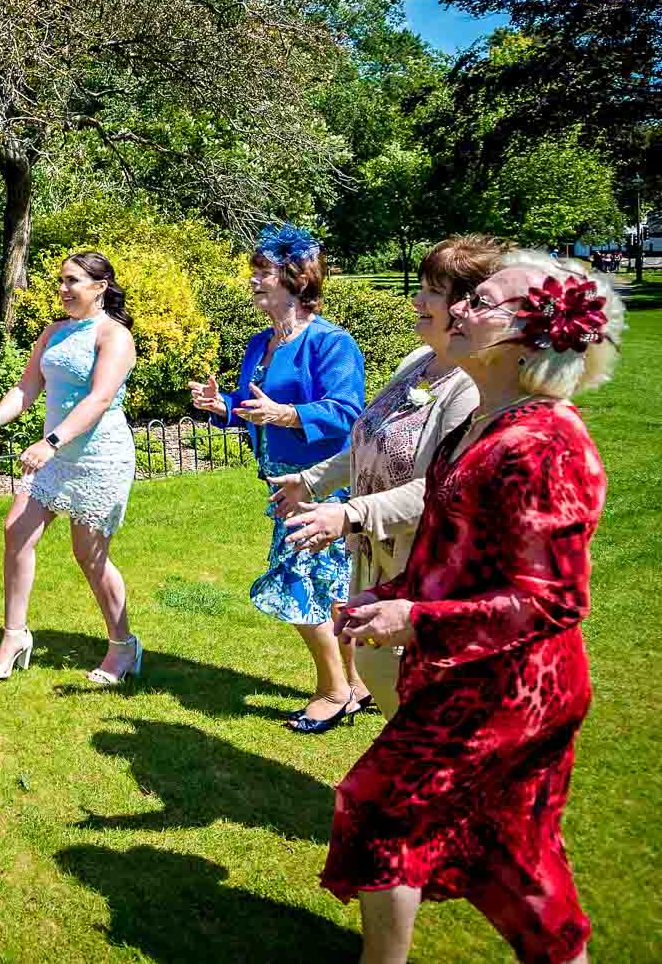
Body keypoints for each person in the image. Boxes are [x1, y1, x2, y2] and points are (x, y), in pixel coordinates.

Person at [322, 253, 622, 964]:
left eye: (479, 303)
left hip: (513, 692)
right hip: (473, 676)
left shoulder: (545, 444)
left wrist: (415, 622)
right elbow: (453, 558)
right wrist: (389, 596)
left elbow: (553, 599)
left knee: (380, 809)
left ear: (527, 335)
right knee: (521, 864)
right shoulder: (482, 424)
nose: (455, 310)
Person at [266, 235, 507, 715]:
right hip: (377, 558)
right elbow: (367, 437)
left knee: (425, 704)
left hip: (423, 567)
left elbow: (446, 488)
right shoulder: (415, 364)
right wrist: (311, 480)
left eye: (431, 291)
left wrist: (350, 513)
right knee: (386, 685)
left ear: (469, 306)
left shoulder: (474, 387)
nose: (417, 300)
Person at [188, 223, 366, 734]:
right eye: (254, 273)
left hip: (323, 483)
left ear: (295, 279)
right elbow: (252, 410)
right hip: (279, 481)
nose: (253, 282)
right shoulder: (259, 344)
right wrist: (219, 406)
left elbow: (348, 412)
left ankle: (333, 692)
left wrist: (287, 415)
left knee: (298, 583)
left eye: (262, 273)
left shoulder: (330, 343)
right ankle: (353, 685)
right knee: (330, 587)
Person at [0, 252, 140, 684]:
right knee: (15, 531)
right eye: (61, 281)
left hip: (98, 455)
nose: (62, 289)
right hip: (54, 455)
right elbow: (26, 388)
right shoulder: (53, 332)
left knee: (90, 555)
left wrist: (51, 441)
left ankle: (123, 645)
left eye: (72, 281)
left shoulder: (114, 336)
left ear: (100, 287)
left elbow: (99, 399)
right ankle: (14, 635)